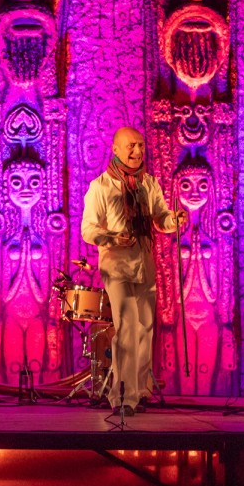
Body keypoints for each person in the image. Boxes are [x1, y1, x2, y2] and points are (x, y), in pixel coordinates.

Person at [80, 127, 186, 415]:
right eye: (131, 146)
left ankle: (140, 390)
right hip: (116, 267)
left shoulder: (148, 184)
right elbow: (88, 229)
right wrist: (112, 238)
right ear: (115, 149)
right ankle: (122, 396)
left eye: (140, 146)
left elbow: (160, 218)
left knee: (145, 328)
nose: (138, 152)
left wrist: (174, 220)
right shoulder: (101, 187)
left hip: (144, 264)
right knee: (126, 327)